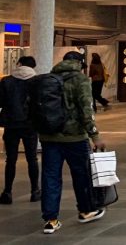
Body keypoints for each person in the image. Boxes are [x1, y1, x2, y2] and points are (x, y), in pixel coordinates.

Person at [33, 51, 107, 234]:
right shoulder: (80, 79)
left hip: (49, 137)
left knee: (50, 177)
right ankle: (86, 210)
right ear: (80, 64)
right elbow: (86, 109)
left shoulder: (49, 78)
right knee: (81, 175)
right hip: (75, 138)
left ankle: (50, 220)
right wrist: (95, 135)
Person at [0, 56, 40, 205]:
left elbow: (1, 101)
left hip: (11, 124)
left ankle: (7, 192)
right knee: (32, 159)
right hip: (30, 125)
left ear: (20, 64)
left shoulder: (6, 81)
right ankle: (35, 191)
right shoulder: (36, 82)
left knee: (11, 160)